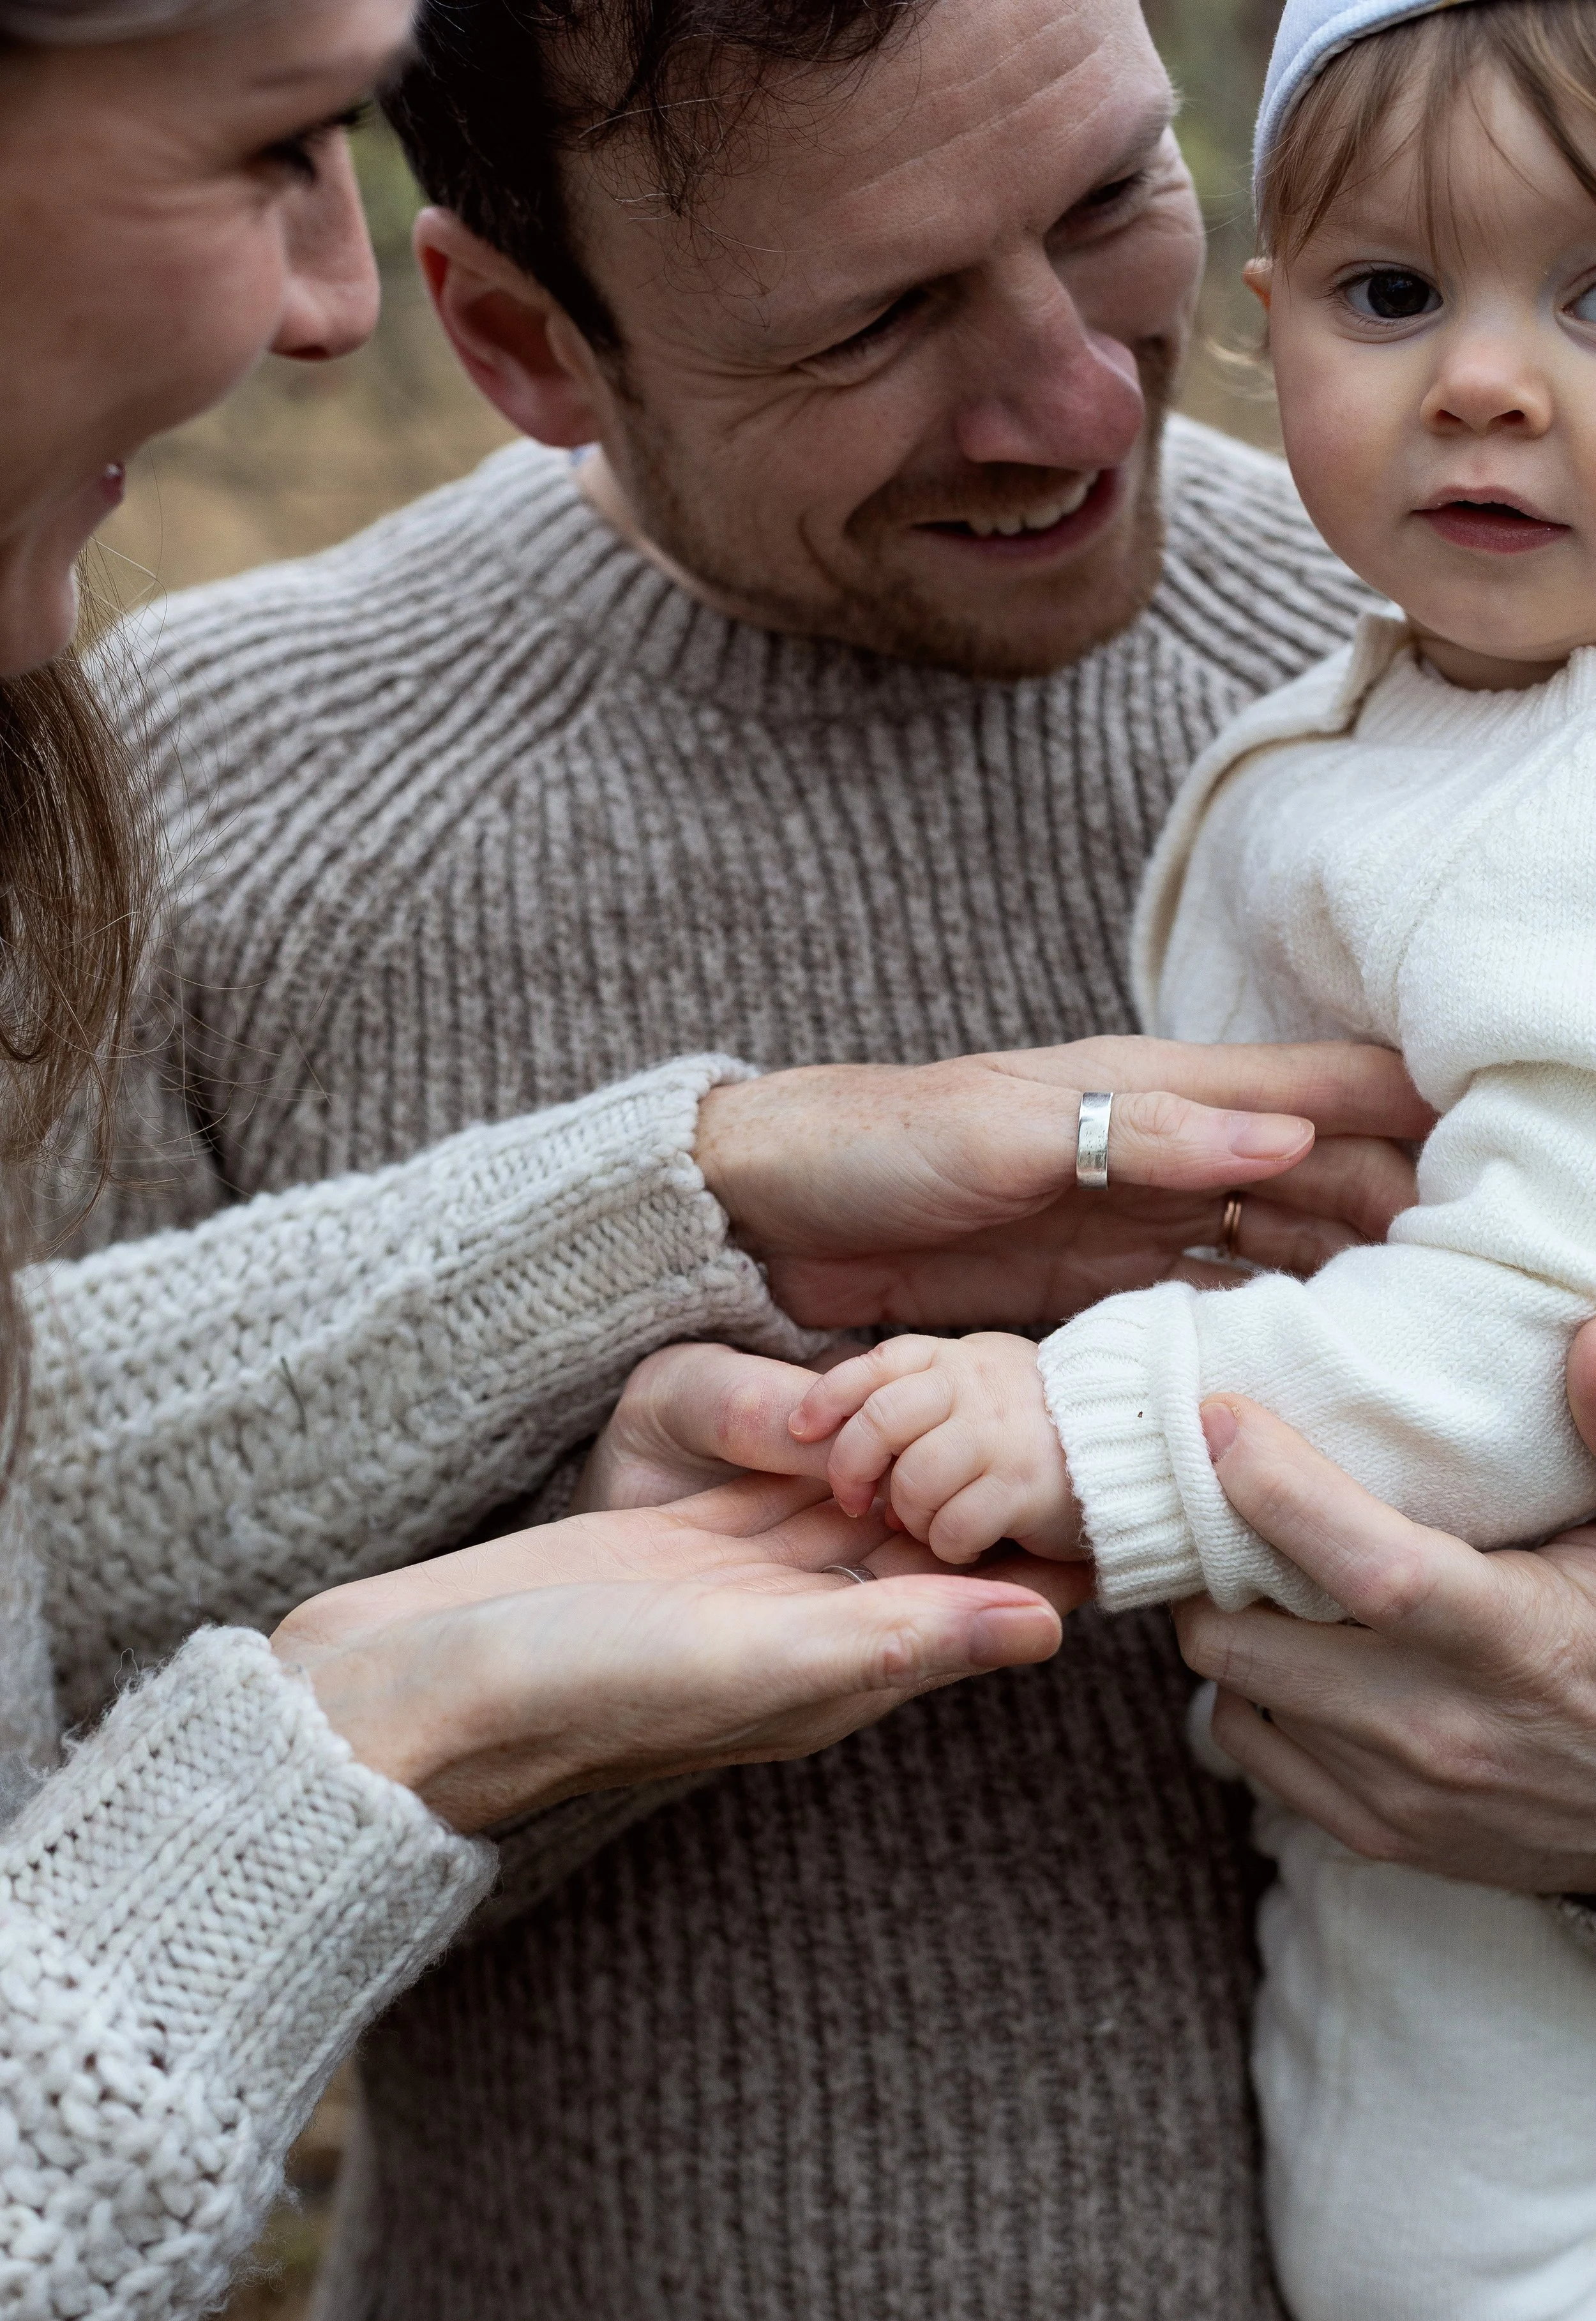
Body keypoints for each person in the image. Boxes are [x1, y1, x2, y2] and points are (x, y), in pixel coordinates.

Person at [70, 0, 1596, 2311]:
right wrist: (532, 1656)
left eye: (1109, 199)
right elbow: (49, 1802)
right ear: (517, 336)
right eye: (873, 320)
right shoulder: (205, 805)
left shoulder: (1491, 664)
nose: (1090, 400)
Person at [734, 1, 1596, 2311]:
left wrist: (1082, 1414)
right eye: (1392, 294)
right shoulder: (1381, 712)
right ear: (1267, 317)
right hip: (1404, 1864)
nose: (1490, 382)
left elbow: (1537, 1323)